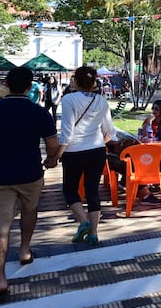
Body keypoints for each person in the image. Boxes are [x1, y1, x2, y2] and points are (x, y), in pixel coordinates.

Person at [0, 66, 59, 302]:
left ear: (6, 85)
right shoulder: (40, 113)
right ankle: (25, 250)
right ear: (30, 87)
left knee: (0, 227)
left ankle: (0, 279)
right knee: (30, 211)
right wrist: (51, 161)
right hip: (30, 174)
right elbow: (52, 148)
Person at [50, 66, 117, 247]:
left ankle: (83, 222)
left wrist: (57, 155)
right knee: (92, 191)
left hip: (74, 152)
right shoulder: (102, 101)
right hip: (97, 151)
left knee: (70, 190)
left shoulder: (69, 99)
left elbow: (67, 132)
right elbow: (109, 130)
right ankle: (94, 234)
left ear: (76, 81)